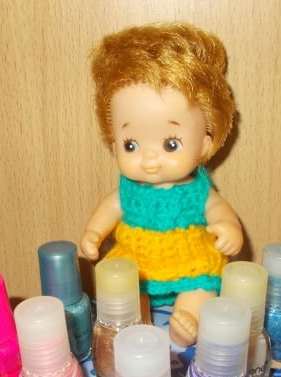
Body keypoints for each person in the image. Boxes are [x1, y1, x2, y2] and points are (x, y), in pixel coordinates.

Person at [80, 23, 243, 346]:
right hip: (137, 262)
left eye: (171, 144)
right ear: (113, 143)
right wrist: (94, 233)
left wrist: (229, 229)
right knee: (124, 291)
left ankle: (189, 317)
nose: (150, 158)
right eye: (131, 145)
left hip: (190, 258)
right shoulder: (128, 191)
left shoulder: (197, 190)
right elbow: (109, 208)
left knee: (202, 287)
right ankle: (134, 324)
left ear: (205, 143)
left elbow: (219, 211)